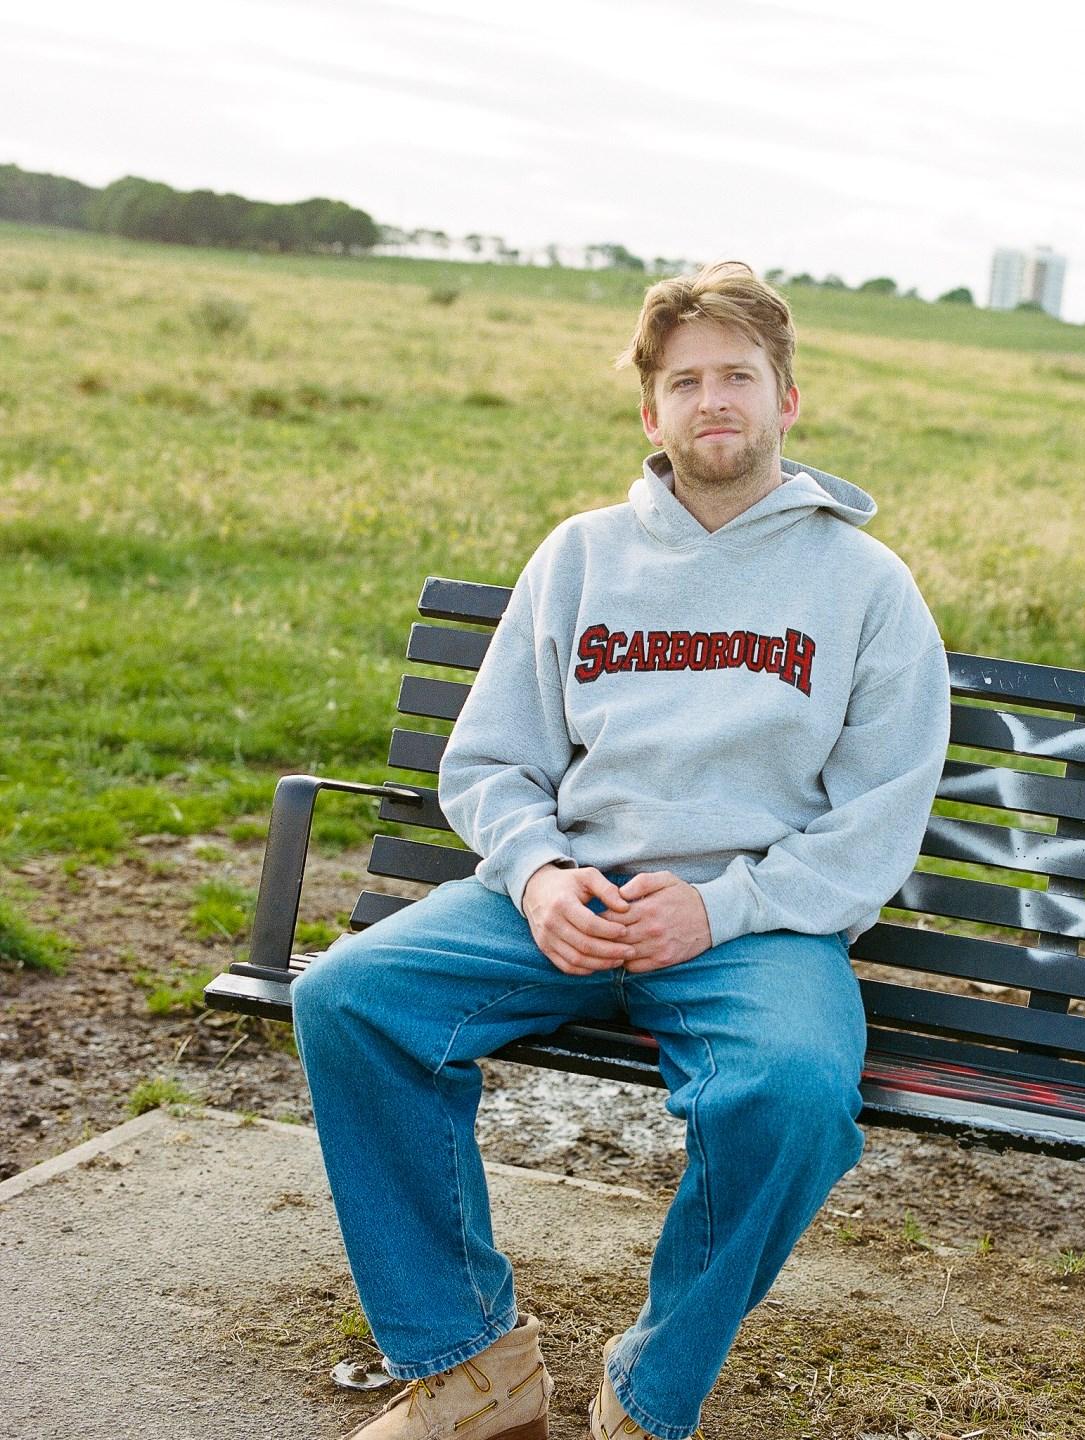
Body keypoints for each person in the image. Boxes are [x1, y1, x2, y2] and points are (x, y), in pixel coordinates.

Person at [290, 260, 953, 1440]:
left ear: (786, 399)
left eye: (738, 377)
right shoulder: (583, 556)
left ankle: (651, 1391)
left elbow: (878, 815)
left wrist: (723, 909)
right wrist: (539, 872)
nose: (714, 401)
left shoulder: (865, 585)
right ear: (650, 413)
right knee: (352, 999)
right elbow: (491, 761)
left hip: (754, 925)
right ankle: (469, 1366)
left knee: (794, 1096)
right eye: (686, 381)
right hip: (571, 895)